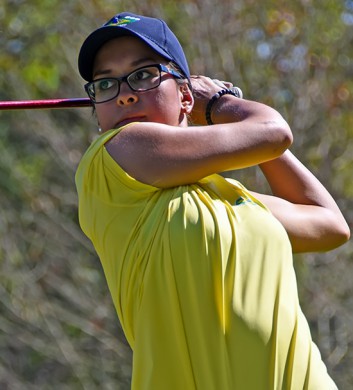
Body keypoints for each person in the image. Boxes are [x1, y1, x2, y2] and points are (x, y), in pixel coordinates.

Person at [75, 11, 350, 390]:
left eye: (142, 75)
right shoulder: (112, 158)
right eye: (105, 84)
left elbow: (330, 225)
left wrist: (216, 110)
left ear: (185, 95)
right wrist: (220, 104)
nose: (124, 94)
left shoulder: (231, 200)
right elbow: (273, 131)